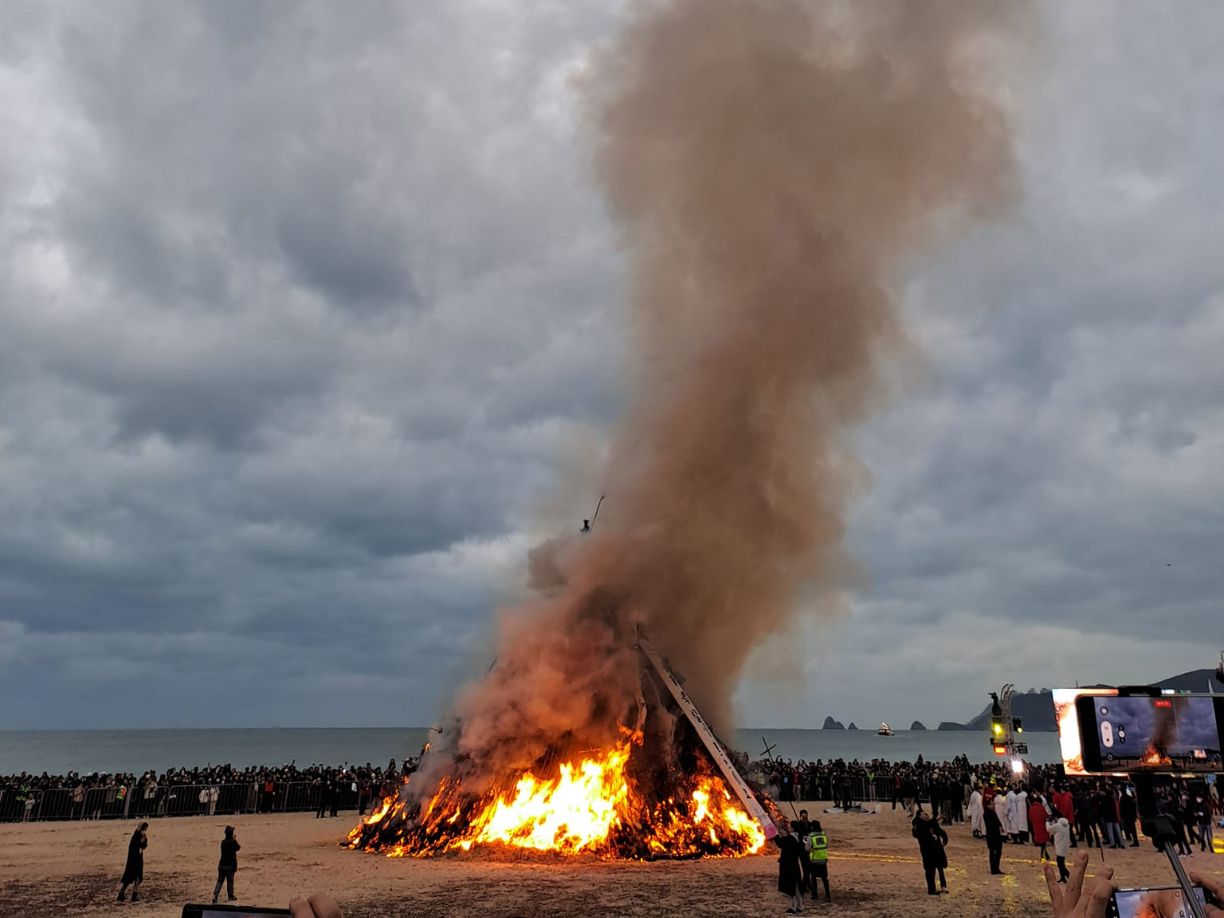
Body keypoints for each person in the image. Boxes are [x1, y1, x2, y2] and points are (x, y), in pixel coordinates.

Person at [912, 807, 948, 896]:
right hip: (927, 851)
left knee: (940, 868)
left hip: (937, 849)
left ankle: (943, 886)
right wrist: (936, 819)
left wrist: (945, 839)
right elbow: (920, 829)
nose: (926, 815)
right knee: (930, 870)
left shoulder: (932, 823)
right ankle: (931, 890)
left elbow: (941, 832)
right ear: (919, 816)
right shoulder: (918, 824)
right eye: (924, 814)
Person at [117, 822, 148, 902]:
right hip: (133, 860)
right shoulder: (135, 837)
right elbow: (134, 848)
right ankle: (122, 894)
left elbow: (144, 846)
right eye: (144, 828)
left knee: (137, 878)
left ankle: (131, 895)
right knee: (129, 878)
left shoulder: (141, 836)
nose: (144, 830)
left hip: (138, 859)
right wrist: (141, 842)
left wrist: (143, 842)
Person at [777, 827, 806, 914]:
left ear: (793, 829)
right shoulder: (799, 839)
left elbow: (780, 844)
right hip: (795, 865)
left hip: (789, 866)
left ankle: (793, 907)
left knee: (791, 887)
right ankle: (800, 906)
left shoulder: (790, 839)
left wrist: (775, 835)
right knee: (796, 886)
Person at [212, 825, 240, 904]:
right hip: (230, 865)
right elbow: (238, 848)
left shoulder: (223, 842)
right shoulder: (232, 842)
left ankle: (215, 896)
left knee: (219, 881)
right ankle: (230, 896)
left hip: (221, 864)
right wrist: (234, 839)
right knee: (230, 881)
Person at [807, 819, 831, 902]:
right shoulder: (824, 835)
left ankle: (815, 895)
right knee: (824, 878)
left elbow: (807, 848)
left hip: (814, 860)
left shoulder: (811, 836)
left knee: (813, 878)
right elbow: (827, 845)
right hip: (823, 860)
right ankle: (828, 895)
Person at [1046, 810, 1072, 883]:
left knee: (1060, 863)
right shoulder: (1066, 824)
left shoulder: (1057, 826)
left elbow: (1049, 829)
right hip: (1065, 845)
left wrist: (1047, 822)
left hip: (1060, 846)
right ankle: (1063, 877)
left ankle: (1069, 876)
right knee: (1061, 862)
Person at [984, 798, 1006, 875]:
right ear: (988, 805)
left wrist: (1000, 827)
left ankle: (996, 868)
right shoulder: (987, 813)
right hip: (992, 835)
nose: (993, 806)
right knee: (993, 852)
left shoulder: (992, 812)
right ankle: (994, 869)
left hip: (996, 834)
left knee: (997, 851)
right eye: (992, 804)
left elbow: (997, 821)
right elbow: (992, 824)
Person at [1031, 796, 1052, 861]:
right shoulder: (1042, 808)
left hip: (1035, 825)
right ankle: (1043, 856)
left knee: (1041, 841)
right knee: (1043, 842)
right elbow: (1045, 816)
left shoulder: (1032, 808)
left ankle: (1045, 855)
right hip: (1042, 826)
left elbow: (1030, 817)